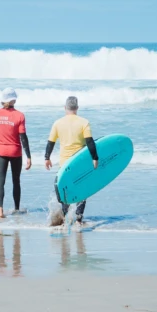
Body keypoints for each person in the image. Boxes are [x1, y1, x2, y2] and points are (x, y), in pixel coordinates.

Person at [44, 96, 98, 224]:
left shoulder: (57, 123)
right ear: (77, 108)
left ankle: (64, 217)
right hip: (80, 163)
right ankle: (79, 219)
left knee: (66, 190)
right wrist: (95, 158)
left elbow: (50, 142)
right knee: (82, 189)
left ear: (65, 108)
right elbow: (90, 142)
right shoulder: (84, 122)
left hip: (65, 164)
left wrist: (47, 157)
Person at [0, 88, 31, 218]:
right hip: (15, 152)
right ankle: (16, 209)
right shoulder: (19, 115)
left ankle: (0, 211)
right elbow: (23, 137)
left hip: (1, 151)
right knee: (16, 181)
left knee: (0, 180)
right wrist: (29, 156)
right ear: (13, 100)